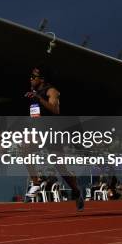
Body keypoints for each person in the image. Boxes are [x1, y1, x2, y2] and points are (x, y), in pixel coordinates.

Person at [25, 66, 84, 211]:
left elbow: (55, 110)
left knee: (60, 167)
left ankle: (76, 191)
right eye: (30, 76)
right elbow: (37, 113)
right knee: (25, 149)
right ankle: (36, 183)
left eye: (33, 77)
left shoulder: (52, 91)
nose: (31, 79)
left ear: (42, 79)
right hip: (40, 130)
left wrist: (39, 98)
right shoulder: (35, 92)